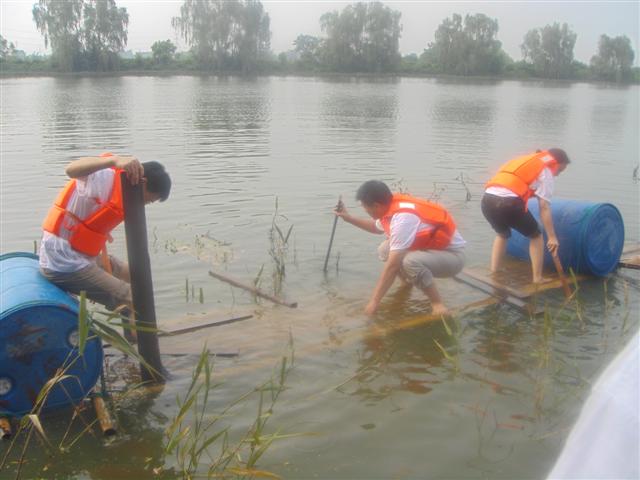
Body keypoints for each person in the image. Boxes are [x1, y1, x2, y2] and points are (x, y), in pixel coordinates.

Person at [39, 152, 171, 340]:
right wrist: (113, 160)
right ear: (142, 182)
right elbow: (71, 169)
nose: (147, 204)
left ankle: (132, 337)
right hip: (63, 263)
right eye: (149, 199)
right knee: (132, 297)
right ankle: (146, 354)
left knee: (134, 274)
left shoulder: (126, 191)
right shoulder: (105, 179)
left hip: (80, 256)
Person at [334, 180, 466, 316]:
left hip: (453, 258)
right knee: (384, 250)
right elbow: (375, 227)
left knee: (410, 261)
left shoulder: (403, 218)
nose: (365, 211)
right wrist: (348, 218)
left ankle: (437, 304)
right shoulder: (389, 208)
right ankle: (406, 283)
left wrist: (374, 302)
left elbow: (392, 266)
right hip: (433, 252)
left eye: (365, 208)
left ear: (376, 205)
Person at [481, 149, 570, 283]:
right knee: (536, 235)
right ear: (556, 163)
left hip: (487, 201)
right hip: (509, 203)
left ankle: (495, 272)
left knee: (502, 234)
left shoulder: (525, 161)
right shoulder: (546, 171)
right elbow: (544, 207)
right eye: (559, 171)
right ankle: (537, 278)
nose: (557, 175)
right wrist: (552, 237)